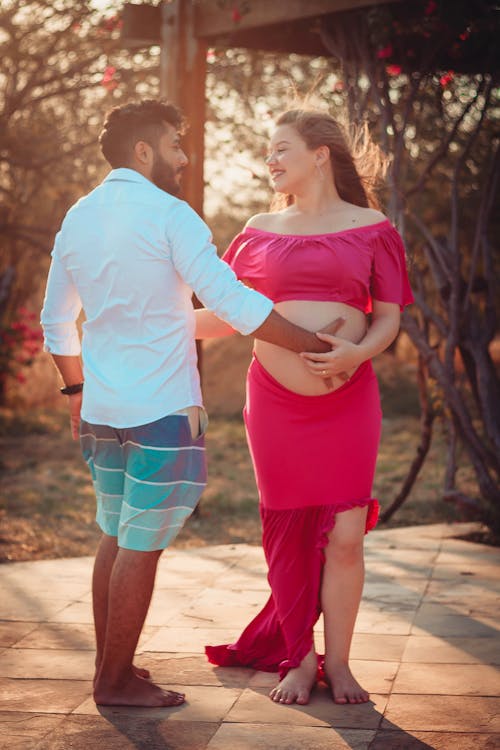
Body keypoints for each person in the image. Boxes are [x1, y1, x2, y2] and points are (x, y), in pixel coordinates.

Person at [40, 100, 343, 709]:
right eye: (175, 146)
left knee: (115, 532)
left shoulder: (79, 215)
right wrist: (318, 345)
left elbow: (54, 321)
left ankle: (113, 667)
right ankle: (114, 681)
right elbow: (231, 301)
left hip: (102, 410)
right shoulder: (170, 215)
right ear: (143, 151)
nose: (184, 157)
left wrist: (75, 392)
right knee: (141, 543)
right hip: (162, 411)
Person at [204, 108, 413, 706]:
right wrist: (138, 322)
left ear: (320, 153)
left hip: (350, 400)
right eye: (268, 152)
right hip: (273, 406)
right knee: (288, 532)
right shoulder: (258, 228)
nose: (270, 161)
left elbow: (389, 317)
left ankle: (340, 664)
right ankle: (298, 660)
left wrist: (356, 354)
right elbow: (225, 314)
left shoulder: (373, 227)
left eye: (280, 149)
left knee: (347, 536)